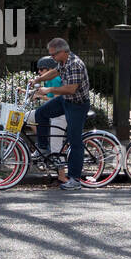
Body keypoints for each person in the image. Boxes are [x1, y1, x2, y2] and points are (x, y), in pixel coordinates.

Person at [27, 37, 89, 192]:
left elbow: (71, 89)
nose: (52, 57)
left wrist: (48, 90)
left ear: (63, 52)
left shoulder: (75, 64)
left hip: (77, 105)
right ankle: (43, 148)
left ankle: (75, 179)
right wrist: (38, 80)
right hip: (65, 100)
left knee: (75, 141)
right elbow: (54, 72)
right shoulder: (63, 62)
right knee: (40, 113)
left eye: (53, 54)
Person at [30, 55, 69, 182]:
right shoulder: (47, 81)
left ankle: (62, 176)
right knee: (29, 116)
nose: (39, 72)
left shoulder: (56, 80)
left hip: (59, 114)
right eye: (38, 70)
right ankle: (43, 144)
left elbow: (56, 101)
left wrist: (41, 96)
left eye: (42, 69)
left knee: (56, 147)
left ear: (50, 69)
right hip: (51, 113)